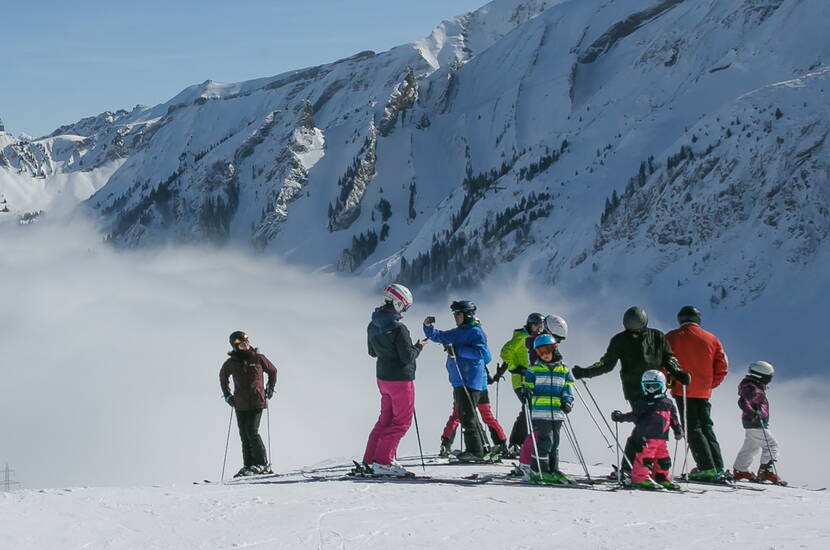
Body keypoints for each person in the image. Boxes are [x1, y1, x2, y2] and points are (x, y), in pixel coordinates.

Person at [571, 306, 690, 476]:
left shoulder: (657, 336)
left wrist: (679, 373)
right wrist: (585, 372)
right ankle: (637, 468)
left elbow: (669, 358)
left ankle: (641, 468)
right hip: (635, 391)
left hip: (657, 389)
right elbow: (606, 364)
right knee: (644, 429)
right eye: (631, 331)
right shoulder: (620, 340)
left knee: (647, 430)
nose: (635, 334)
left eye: (638, 331)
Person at [361, 283, 427, 477]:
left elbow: (372, 352)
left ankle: (370, 460)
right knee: (401, 422)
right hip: (400, 379)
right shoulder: (399, 329)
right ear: (399, 304)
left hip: (382, 378)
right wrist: (418, 346)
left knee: (385, 420)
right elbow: (407, 357)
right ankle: (383, 461)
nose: (405, 311)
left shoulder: (372, 324)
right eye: (405, 307)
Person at [665, 305, 729, 481]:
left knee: (692, 428)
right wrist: (709, 384)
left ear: (680, 319)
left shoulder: (671, 337)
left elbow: (663, 362)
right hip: (703, 391)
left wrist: (669, 382)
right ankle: (718, 466)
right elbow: (722, 366)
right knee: (707, 427)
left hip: (682, 389)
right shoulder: (712, 339)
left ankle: (706, 468)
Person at [424, 300, 491, 462]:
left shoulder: (476, 332)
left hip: (470, 380)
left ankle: (475, 451)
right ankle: (482, 447)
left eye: (458, 314)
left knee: (467, 415)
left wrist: (458, 350)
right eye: (455, 314)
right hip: (460, 380)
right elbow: (440, 336)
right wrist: (428, 327)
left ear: (467, 315)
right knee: (467, 414)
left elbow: (482, 353)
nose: (455, 317)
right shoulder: (460, 331)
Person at [516, 334, 575, 484]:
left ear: (554, 349)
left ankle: (552, 469)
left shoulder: (564, 370)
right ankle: (538, 470)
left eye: (547, 350)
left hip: (557, 412)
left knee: (554, 442)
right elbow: (528, 385)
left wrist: (567, 402)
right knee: (545, 441)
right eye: (540, 352)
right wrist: (526, 392)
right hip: (540, 412)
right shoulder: (534, 369)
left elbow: (568, 388)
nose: (544, 355)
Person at [611, 370, 684, 490]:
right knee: (645, 458)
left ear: (662, 385)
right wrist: (622, 417)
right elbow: (634, 415)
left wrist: (678, 430)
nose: (650, 389)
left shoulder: (668, 403)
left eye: (654, 386)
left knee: (664, 460)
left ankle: (661, 477)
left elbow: (673, 419)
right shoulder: (643, 402)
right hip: (646, 437)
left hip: (661, 439)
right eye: (647, 386)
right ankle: (640, 478)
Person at [219, 331, 278, 477]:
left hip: (257, 400)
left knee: (252, 431)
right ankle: (249, 465)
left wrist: (270, 388)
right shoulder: (231, 363)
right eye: (241, 344)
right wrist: (227, 395)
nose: (245, 345)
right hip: (240, 403)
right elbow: (223, 377)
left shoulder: (258, 358)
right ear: (235, 346)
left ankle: (262, 464)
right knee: (244, 434)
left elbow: (273, 371)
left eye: (246, 342)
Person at [499, 313, 545, 455]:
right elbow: (505, 352)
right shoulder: (522, 337)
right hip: (521, 381)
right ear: (530, 324)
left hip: (532, 381)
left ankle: (521, 443)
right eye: (536, 325)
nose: (539, 329)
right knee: (529, 409)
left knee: (530, 409)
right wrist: (514, 368)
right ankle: (516, 443)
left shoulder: (537, 338)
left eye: (541, 326)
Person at [733, 361, 782, 483]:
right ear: (762, 375)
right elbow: (743, 402)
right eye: (769, 377)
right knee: (772, 445)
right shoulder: (752, 388)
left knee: (751, 447)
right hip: (755, 422)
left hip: (752, 422)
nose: (770, 380)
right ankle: (765, 472)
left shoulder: (753, 386)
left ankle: (741, 469)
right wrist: (754, 413)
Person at [439, 387, 507, 457]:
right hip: (481, 387)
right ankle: (501, 444)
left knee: (457, 417)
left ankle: (446, 446)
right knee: (487, 416)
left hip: (464, 388)